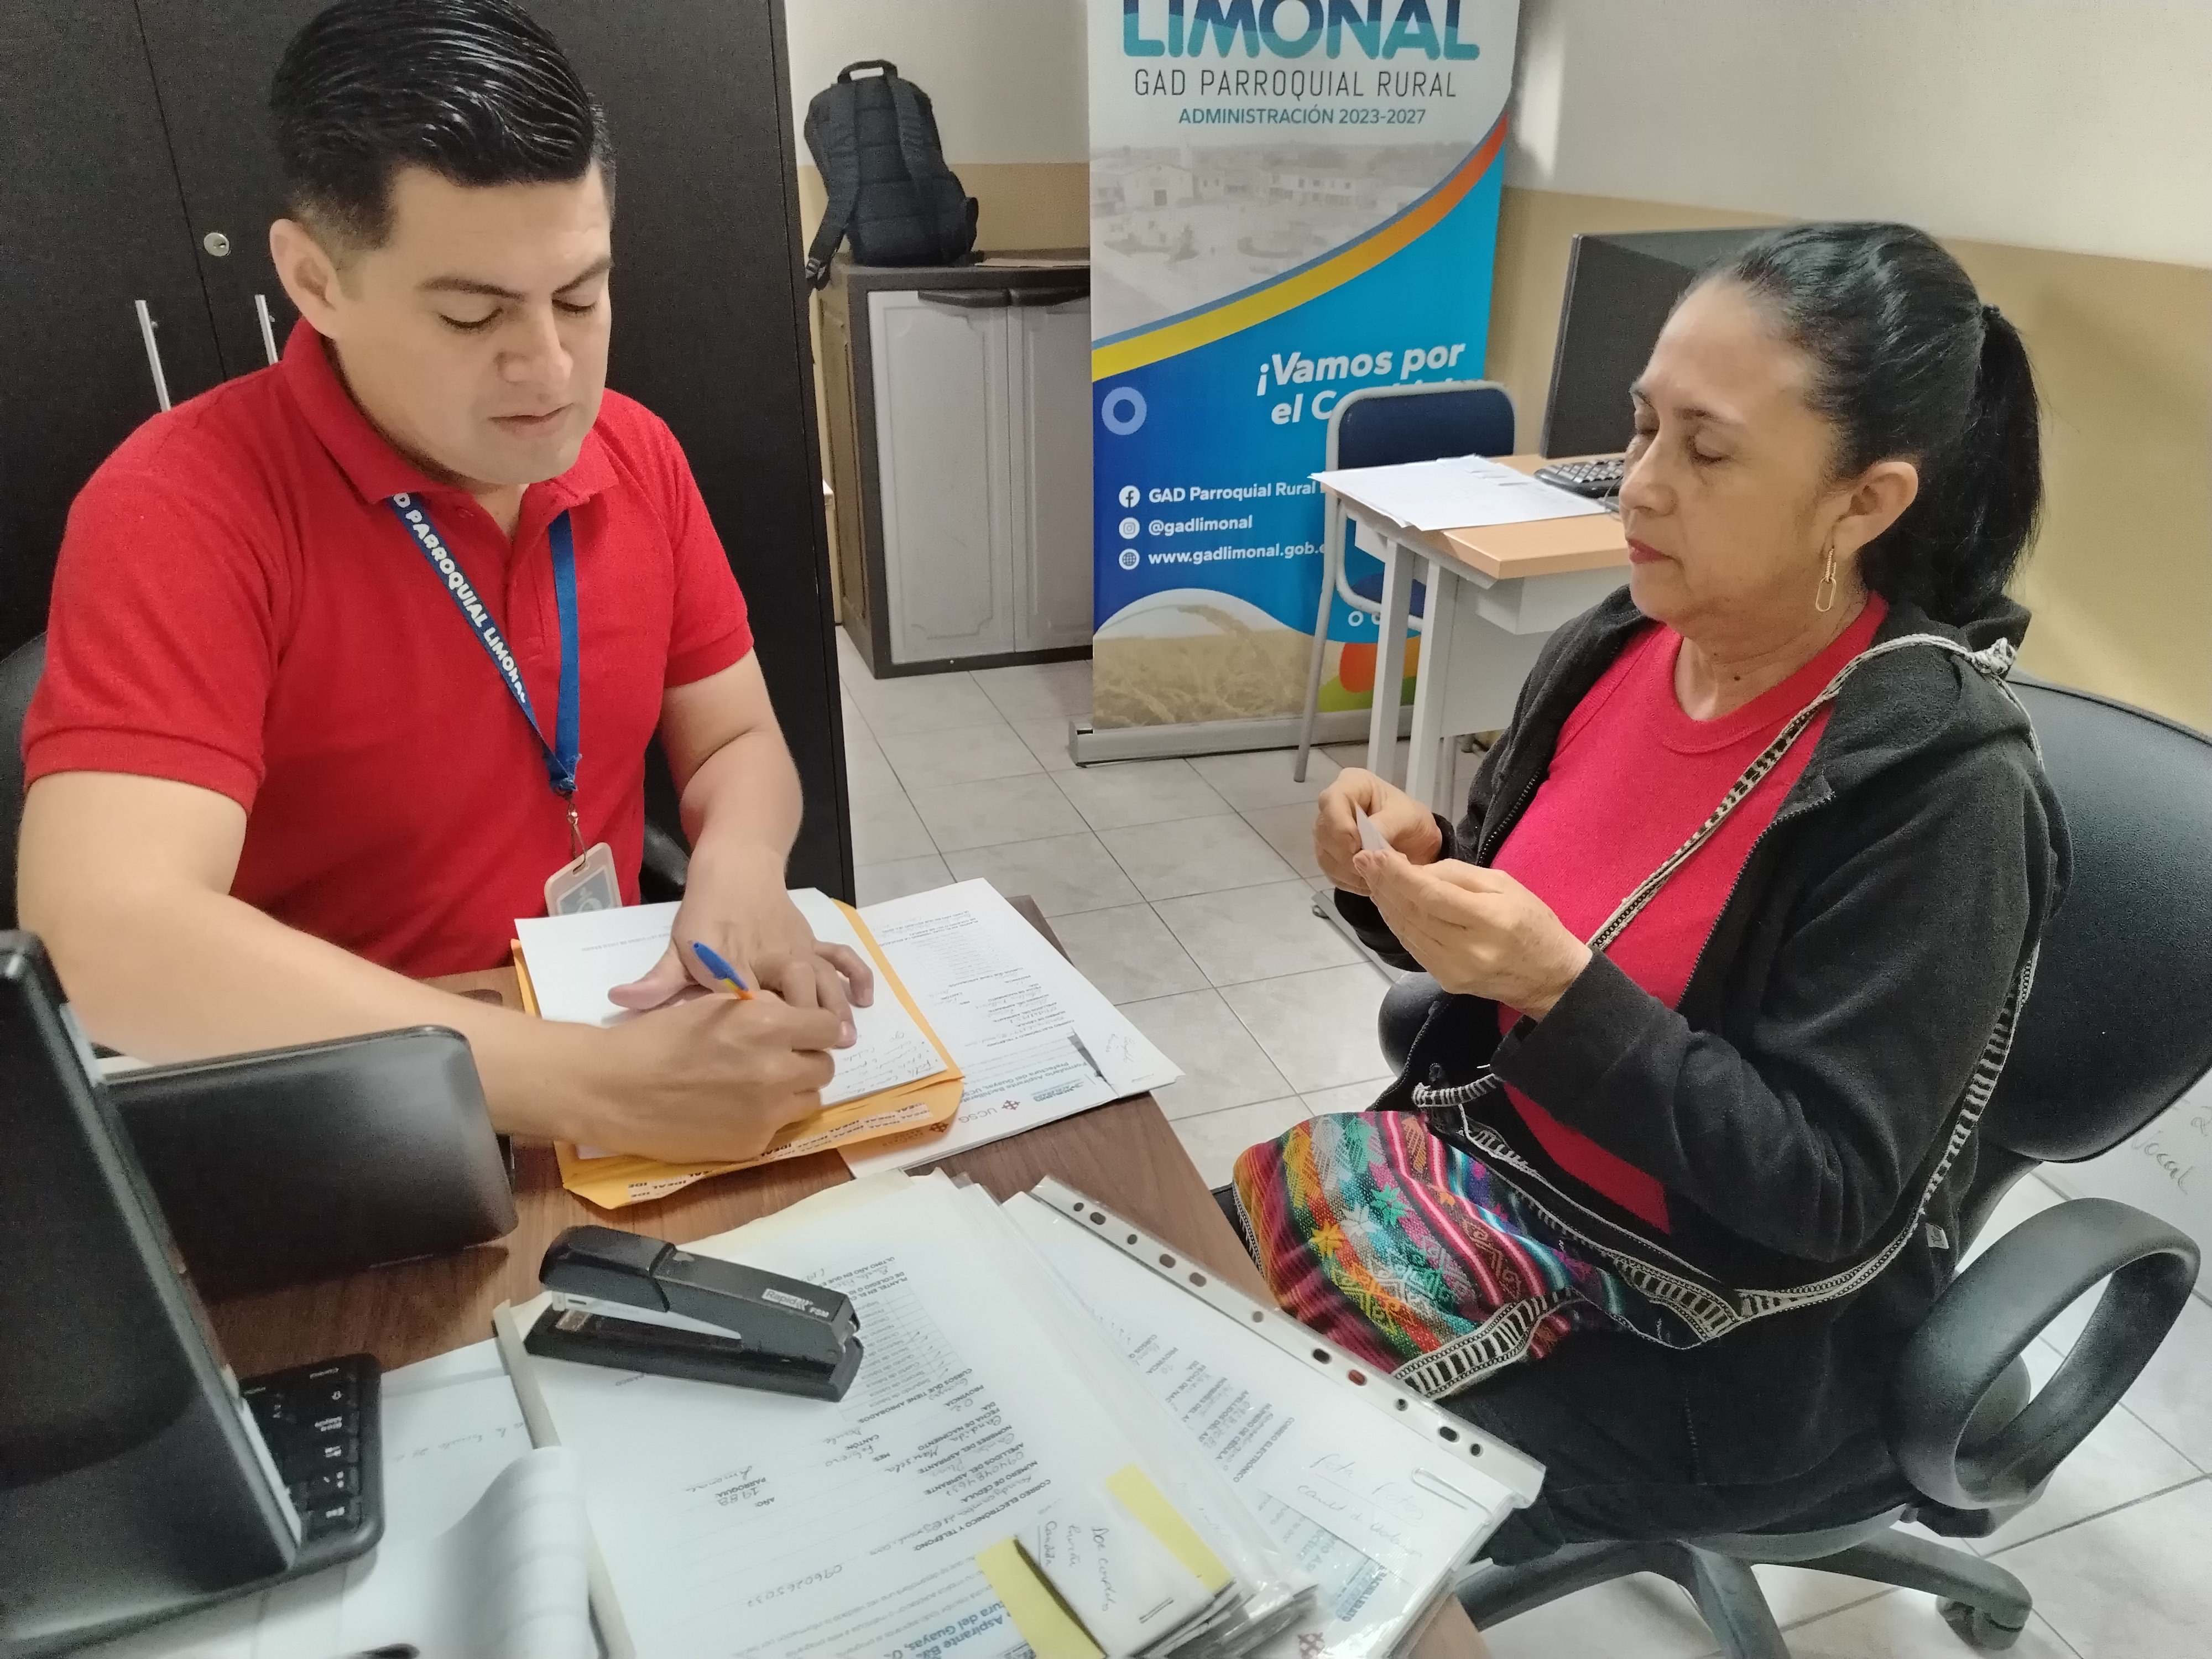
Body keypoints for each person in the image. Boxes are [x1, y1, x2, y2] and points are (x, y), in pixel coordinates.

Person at [1273, 222, 2068, 1557]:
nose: (1634, 487)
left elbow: (1820, 1192)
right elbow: (1527, 902)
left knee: (1270, 1482)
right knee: (1171, 1288)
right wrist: (1405, 868)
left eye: (1704, 451)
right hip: (1493, 1170)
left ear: (1863, 502)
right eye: (1640, 427)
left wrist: (1554, 987)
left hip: (1703, 1339)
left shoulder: (1940, 794)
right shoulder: (1620, 644)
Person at [17, 0, 865, 1163]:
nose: (549, 368)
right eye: (472, 314)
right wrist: (595, 1090)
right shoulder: (182, 506)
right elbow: (111, 935)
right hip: (355, 1117)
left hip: (605, 1019)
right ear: (315, 281)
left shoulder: (636, 455)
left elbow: (732, 739)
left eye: (581, 296)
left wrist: (740, 869)